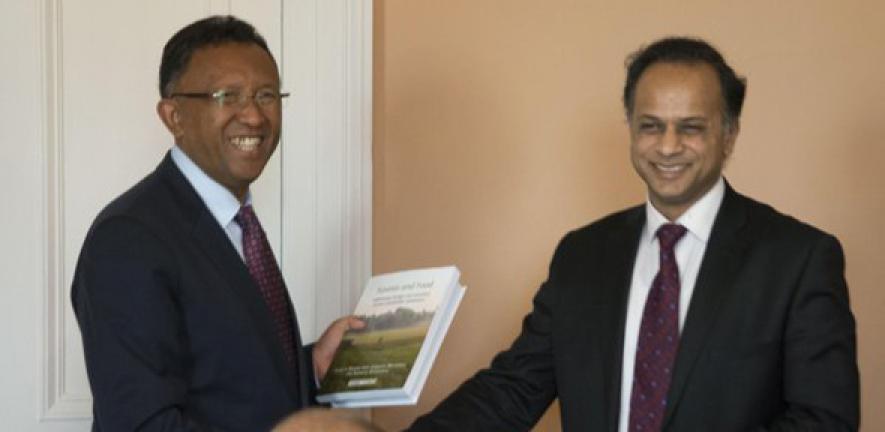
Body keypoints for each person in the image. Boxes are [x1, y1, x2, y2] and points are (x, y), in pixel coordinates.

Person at [409, 37, 859, 431]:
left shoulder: (798, 259)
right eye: (650, 126)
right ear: (630, 128)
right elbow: (511, 391)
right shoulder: (581, 255)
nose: (666, 146)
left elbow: (824, 420)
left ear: (730, 134)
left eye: (691, 128)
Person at [71, 15, 362, 431]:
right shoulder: (128, 239)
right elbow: (142, 424)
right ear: (173, 116)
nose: (255, 117)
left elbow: (225, 381)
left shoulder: (237, 223)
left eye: (266, 95)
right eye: (228, 96)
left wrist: (312, 367)